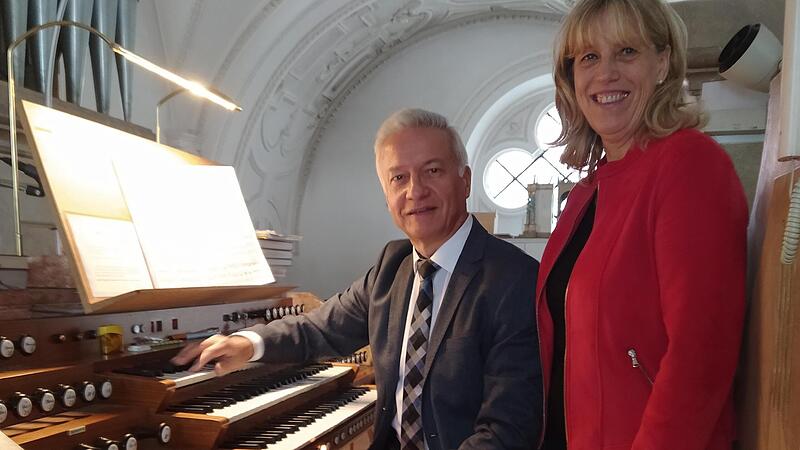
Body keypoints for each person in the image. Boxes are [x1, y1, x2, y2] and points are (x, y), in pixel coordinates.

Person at [173, 108, 543, 450]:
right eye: (399, 177)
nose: (415, 191)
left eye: (432, 171)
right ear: (386, 196)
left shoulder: (515, 280)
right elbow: (318, 329)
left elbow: (507, 431)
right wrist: (246, 343)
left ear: (465, 181)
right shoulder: (392, 267)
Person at [537, 0, 748, 449]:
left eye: (627, 51)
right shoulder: (586, 192)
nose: (606, 73)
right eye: (589, 57)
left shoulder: (689, 163)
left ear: (663, 62)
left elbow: (700, 354)